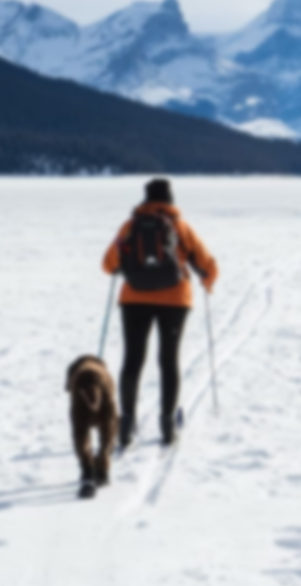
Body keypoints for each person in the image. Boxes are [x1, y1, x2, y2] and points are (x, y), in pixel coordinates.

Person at [102, 178, 217, 447]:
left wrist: (128, 273)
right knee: (168, 360)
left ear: (145, 199)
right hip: (176, 301)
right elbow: (208, 265)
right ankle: (167, 425)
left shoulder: (130, 226)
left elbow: (108, 263)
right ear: (170, 199)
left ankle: (126, 424)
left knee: (133, 359)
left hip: (134, 299)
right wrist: (206, 282)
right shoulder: (180, 226)